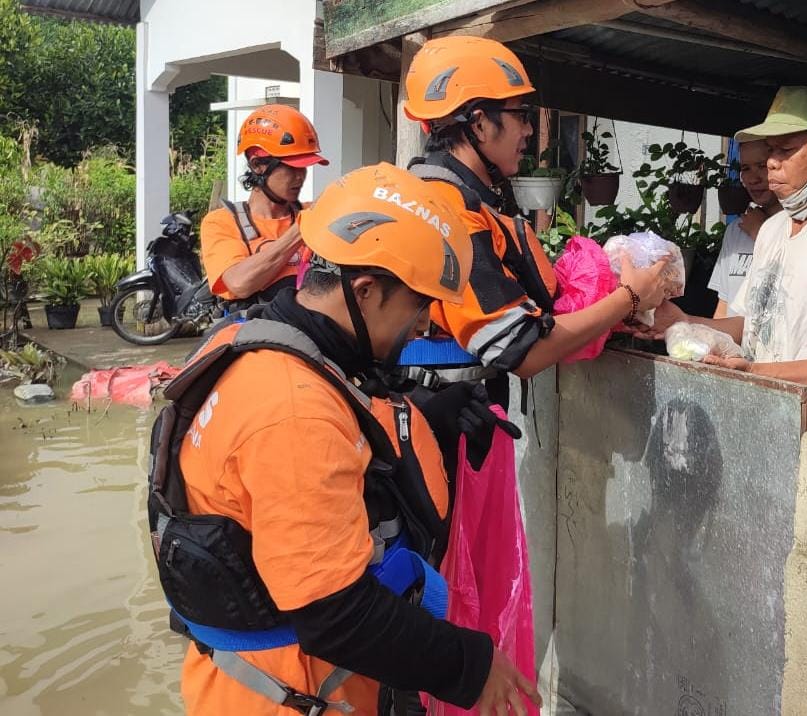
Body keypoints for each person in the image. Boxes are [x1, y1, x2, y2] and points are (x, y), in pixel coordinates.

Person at [149, 163, 542, 715]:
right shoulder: (293, 413)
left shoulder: (263, 341)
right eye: (419, 304)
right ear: (365, 290)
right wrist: (471, 666)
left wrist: (432, 418)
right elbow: (337, 616)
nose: (426, 324)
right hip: (293, 698)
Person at [401, 35, 672, 402]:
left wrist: (612, 312)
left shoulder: (448, 197)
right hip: (443, 424)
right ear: (478, 124)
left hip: (447, 412)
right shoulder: (451, 215)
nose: (528, 130)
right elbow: (522, 350)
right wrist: (629, 297)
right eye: (520, 115)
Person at [650, 86, 807, 428]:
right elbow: (750, 324)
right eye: (770, 151)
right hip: (765, 433)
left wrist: (755, 373)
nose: (772, 163)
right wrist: (684, 322)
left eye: (786, 149)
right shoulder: (774, 229)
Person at [199, 104, 328, 305]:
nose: (300, 176)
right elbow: (239, 283)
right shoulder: (222, 222)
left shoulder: (314, 212)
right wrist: (301, 230)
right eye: (291, 167)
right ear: (257, 165)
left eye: (303, 168)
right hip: (261, 330)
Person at [707, 139, 782, 318]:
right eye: (745, 168)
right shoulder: (736, 230)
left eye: (761, 166)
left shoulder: (796, 227)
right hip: (731, 345)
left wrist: (761, 233)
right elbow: (724, 306)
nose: (753, 178)